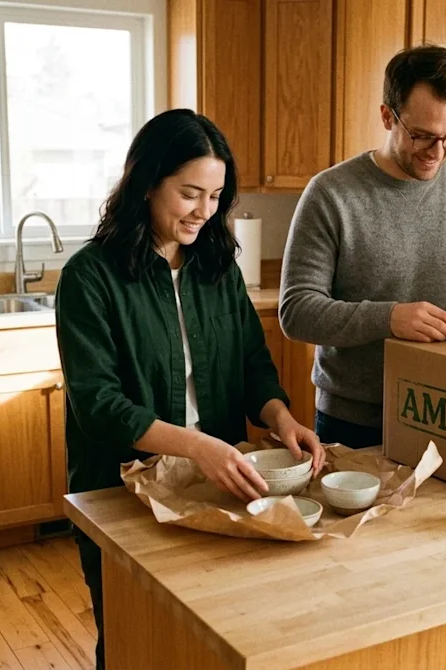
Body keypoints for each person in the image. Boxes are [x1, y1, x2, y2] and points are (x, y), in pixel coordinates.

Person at [55, 108, 325, 669]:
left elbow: (252, 361)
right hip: (122, 494)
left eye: (216, 195)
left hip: (215, 490)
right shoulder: (89, 277)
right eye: (190, 193)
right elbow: (99, 407)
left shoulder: (216, 266)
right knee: (136, 642)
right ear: (148, 183)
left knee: (212, 642)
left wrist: (281, 419)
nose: (205, 211)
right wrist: (198, 446)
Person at [279, 45, 446, 450]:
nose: (437, 153)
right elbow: (296, 312)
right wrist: (391, 318)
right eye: (422, 136)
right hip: (352, 422)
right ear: (388, 116)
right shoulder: (331, 194)